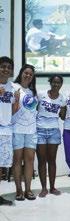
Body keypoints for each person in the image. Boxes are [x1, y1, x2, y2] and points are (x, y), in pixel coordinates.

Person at [36, 75, 65, 197]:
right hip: (40, 131)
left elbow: (62, 116)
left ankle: (52, 187)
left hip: (54, 131)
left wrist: (65, 110)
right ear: (50, 83)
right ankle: (44, 188)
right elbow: (34, 109)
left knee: (52, 160)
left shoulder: (62, 98)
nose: (56, 85)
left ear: (61, 84)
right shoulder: (41, 94)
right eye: (54, 82)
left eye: (58, 83)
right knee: (42, 161)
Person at [12, 64, 38, 201]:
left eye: (30, 74)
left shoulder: (33, 91)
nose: (28, 75)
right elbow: (11, 109)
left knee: (30, 160)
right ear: (21, 73)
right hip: (17, 130)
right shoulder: (14, 87)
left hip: (31, 131)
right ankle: (18, 190)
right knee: (17, 160)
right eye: (25, 73)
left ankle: (28, 190)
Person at [0, 56, 18, 206]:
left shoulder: (13, 88)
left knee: (1, 166)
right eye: (3, 66)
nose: (5, 69)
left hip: (6, 131)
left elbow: (14, 109)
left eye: (8, 67)